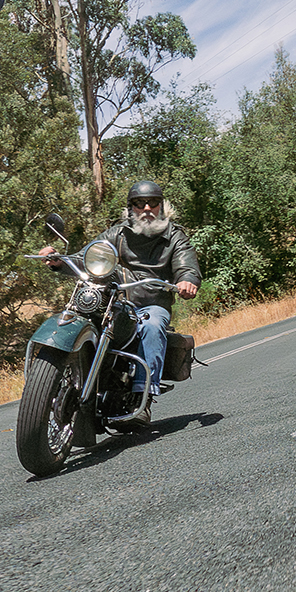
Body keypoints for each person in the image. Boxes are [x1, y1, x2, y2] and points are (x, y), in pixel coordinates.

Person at [47, 180, 200, 423]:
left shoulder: (175, 237)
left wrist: (187, 281)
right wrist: (59, 261)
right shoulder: (117, 234)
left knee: (152, 326)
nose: (147, 208)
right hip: (115, 301)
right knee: (83, 317)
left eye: (153, 203)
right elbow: (88, 257)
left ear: (161, 206)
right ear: (131, 208)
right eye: (140, 203)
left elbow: (187, 267)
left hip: (152, 303)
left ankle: (142, 397)